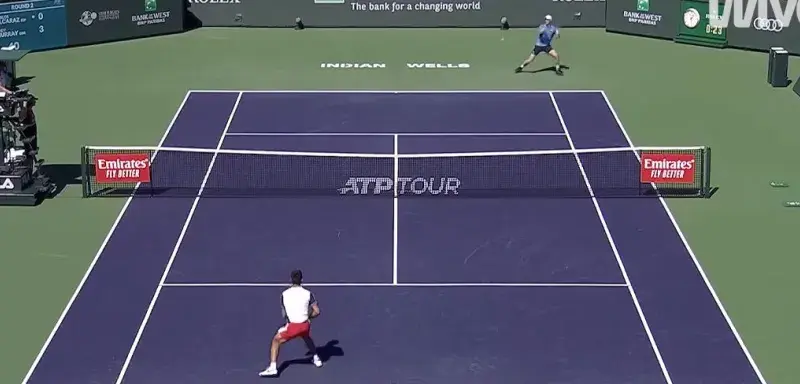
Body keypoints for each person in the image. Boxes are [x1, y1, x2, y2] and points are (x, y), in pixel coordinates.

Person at [258, 270, 323, 377]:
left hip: (293, 327)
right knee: (306, 337)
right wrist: (307, 317)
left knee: (276, 340)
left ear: (291, 280)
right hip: (305, 325)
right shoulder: (308, 293)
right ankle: (316, 358)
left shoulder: (284, 294)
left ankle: (273, 367)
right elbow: (317, 311)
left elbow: (285, 315)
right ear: (302, 280)